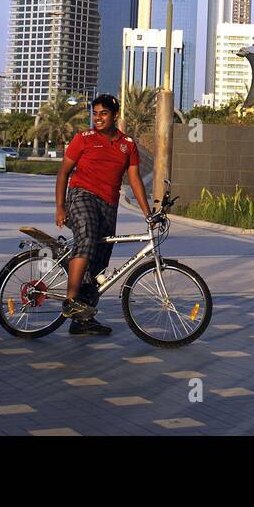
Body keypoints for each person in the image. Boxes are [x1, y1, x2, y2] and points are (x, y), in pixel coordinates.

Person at [55, 94, 153, 335]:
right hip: (81, 196)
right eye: (95, 113)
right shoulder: (83, 139)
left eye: (103, 113)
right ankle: (70, 301)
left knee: (99, 264)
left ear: (115, 115)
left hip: (109, 204)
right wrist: (60, 206)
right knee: (87, 238)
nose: (98, 118)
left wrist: (148, 213)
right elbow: (63, 173)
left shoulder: (127, 144)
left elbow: (135, 180)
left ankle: (82, 322)